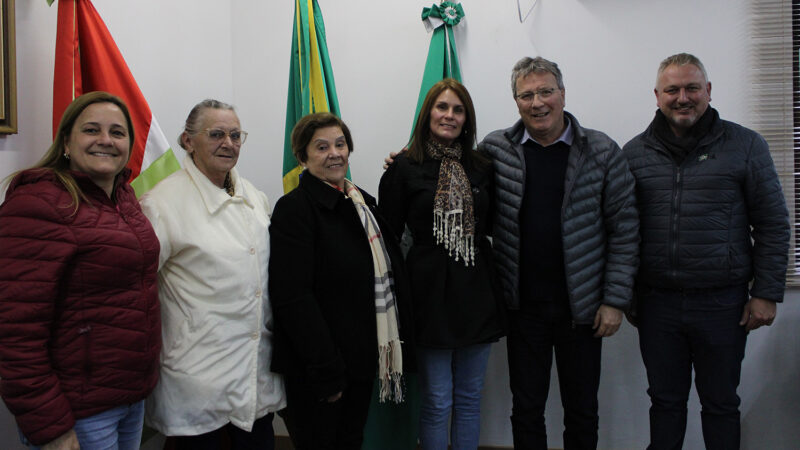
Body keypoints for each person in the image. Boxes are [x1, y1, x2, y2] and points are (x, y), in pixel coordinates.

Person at [623, 53, 790, 450]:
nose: (683, 97)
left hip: (723, 304)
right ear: (657, 95)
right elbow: (622, 232)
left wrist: (765, 293)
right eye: (672, 90)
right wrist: (624, 296)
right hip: (657, 304)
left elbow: (772, 224)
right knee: (664, 403)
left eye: (692, 88)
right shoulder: (634, 154)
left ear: (708, 91)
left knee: (720, 405)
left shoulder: (746, 146)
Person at [479, 57, 639, 449]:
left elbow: (625, 229)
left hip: (582, 311)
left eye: (546, 91)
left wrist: (615, 300)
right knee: (526, 409)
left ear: (563, 94)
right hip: (523, 309)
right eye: (527, 94)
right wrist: (405, 160)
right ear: (516, 101)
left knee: (582, 410)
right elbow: (453, 185)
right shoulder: (494, 149)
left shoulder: (601, 150)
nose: (538, 102)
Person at [0, 91, 161, 450]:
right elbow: (15, 329)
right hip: (77, 411)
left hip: (128, 397)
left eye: (118, 133)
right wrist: (50, 425)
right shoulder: (37, 204)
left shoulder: (125, 199)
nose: (106, 140)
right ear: (67, 143)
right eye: (92, 129)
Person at [139, 99, 285, 449]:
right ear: (188, 141)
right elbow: (139, 290)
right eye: (216, 134)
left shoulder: (253, 195)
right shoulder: (160, 203)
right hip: (197, 383)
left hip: (254, 377)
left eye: (236, 135)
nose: (229, 143)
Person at [269, 112, 414, 450]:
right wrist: (325, 368)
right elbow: (293, 297)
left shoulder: (361, 203)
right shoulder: (295, 210)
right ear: (302, 157)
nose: (334, 153)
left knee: (350, 441)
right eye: (321, 147)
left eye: (340, 144)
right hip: (319, 368)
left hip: (359, 361)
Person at [378, 78, 505, 450]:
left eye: (458, 109)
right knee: (437, 400)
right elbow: (387, 237)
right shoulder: (402, 167)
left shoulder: (482, 166)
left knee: (469, 397)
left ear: (467, 119)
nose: (449, 115)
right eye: (442, 107)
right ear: (428, 113)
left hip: (477, 290)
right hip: (427, 294)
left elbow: (495, 222)